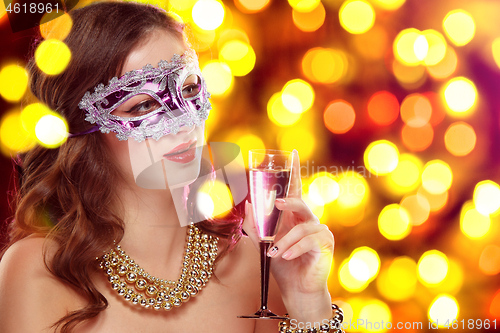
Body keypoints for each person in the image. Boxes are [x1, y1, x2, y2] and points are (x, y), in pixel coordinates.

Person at [0, 2, 339, 332]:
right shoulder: (38, 271)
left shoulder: (256, 266)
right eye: (144, 104)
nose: (183, 121)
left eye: (189, 89)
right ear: (84, 128)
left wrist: (310, 307)